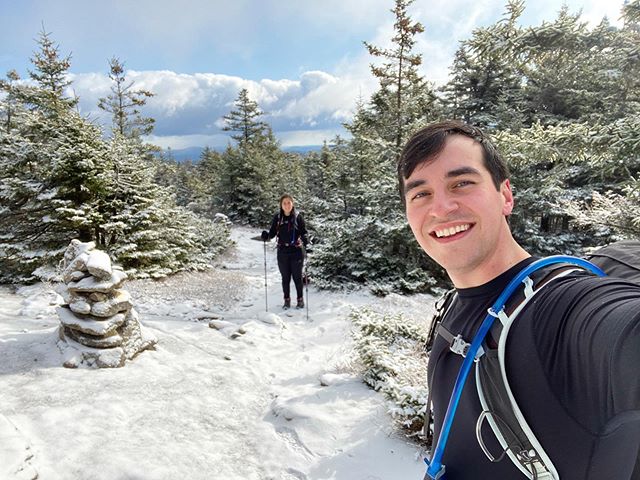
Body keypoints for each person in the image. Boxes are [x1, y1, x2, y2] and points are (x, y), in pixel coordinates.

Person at [397, 120, 640, 479]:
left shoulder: (560, 309)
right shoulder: (454, 305)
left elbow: (623, 331)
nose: (441, 207)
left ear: (505, 196)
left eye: (461, 183)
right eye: (421, 194)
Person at [262, 194, 309, 309]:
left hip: (296, 251)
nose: (287, 205)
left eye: (289, 203)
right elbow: (272, 234)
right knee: (285, 278)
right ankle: (286, 300)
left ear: (292, 204)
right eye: (284, 203)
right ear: (281, 205)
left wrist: (305, 239)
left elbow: (303, 232)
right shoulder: (278, 218)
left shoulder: (298, 217)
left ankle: (300, 300)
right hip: (282, 251)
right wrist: (266, 235)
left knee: (297, 277)